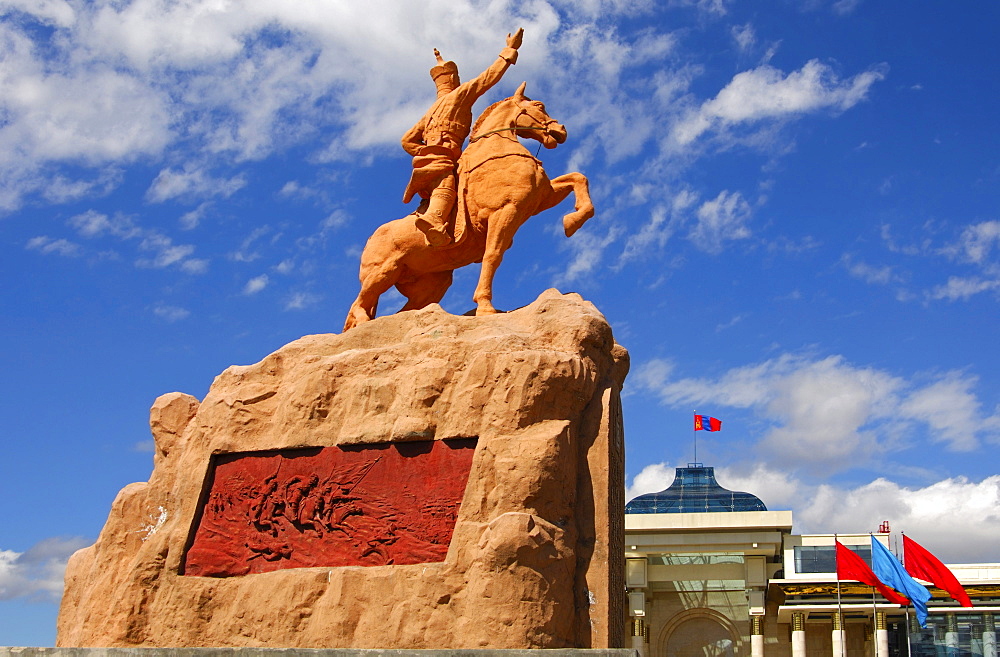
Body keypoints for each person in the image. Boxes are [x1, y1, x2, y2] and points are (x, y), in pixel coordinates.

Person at [401, 28, 524, 246]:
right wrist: (510, 49)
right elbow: (487, 78)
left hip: (442, 155)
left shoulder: (429, 112)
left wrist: (426, 150)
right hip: (443, 158)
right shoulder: (458, 96)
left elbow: (407, 141)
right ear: (454, 80)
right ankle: (434, 219)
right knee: (446, 180)